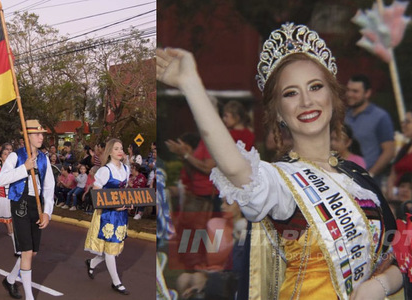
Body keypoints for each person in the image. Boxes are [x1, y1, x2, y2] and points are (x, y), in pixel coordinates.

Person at [156, 23, 401, 299]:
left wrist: (380, 286)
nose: (307, 101)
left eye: (315, 87)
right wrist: (191, 84)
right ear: (279, 113)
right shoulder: (279, 182)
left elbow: (396, 258)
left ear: (333, 97)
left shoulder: (358, 177)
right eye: (291, 93)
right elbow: (235, 168)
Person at [0, 119, 54, 300]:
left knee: (32, 252)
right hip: (19, 203)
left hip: (36, 206)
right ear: (27, 136)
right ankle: (30, 297)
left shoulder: (44, 159)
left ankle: (11, 279)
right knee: (27, 251)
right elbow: (1, 180)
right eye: (36, 134)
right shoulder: (16, 156)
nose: (40, 137)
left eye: (42, 133)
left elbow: (49, 188)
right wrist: (24, 168)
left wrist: (47, 212)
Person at [84, 138, 131, 295]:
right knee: (110, 250)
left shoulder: (126, 168)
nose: (120, 151)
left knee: (113, 247)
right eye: (117, 148)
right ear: (110, 151)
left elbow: (125, 191)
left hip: (121, 213)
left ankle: (91, 262)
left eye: (121, 148)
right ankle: (116, 283)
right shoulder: (105, 170)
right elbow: (96, 192)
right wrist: (112, 205)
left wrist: (129, 202)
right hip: (107, 214)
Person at [345, 74, 395, 180]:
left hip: (370, 180)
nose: (349, 94)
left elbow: (389, 151)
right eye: (348, 90)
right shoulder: (344, 116)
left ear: (367, 93)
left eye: (355, 91)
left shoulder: (380, 116)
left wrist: (370, 174)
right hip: (345, 177)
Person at [387, 110, 412, 200]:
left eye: (407, 122)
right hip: (398, 198)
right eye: (403, 122)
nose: (403, 125)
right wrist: (390, 191)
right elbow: (393, 173)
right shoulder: (404, 148)